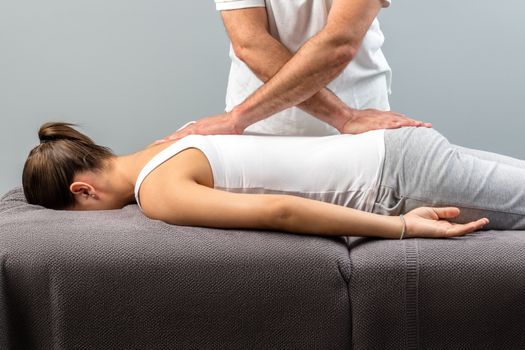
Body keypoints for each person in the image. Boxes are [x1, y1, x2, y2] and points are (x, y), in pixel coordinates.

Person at [29, 121, 525, 240]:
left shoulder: (156, 190)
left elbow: (279, 210)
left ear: (82, 191)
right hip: (395, 152)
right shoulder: (173, 141)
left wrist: (401, 227)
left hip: (398, 181)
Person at [154, 0, 432, 144]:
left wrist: (239, 117)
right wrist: (343, 116)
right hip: (258, 133)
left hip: (360, 130)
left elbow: (340, 42)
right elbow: (250, 43)